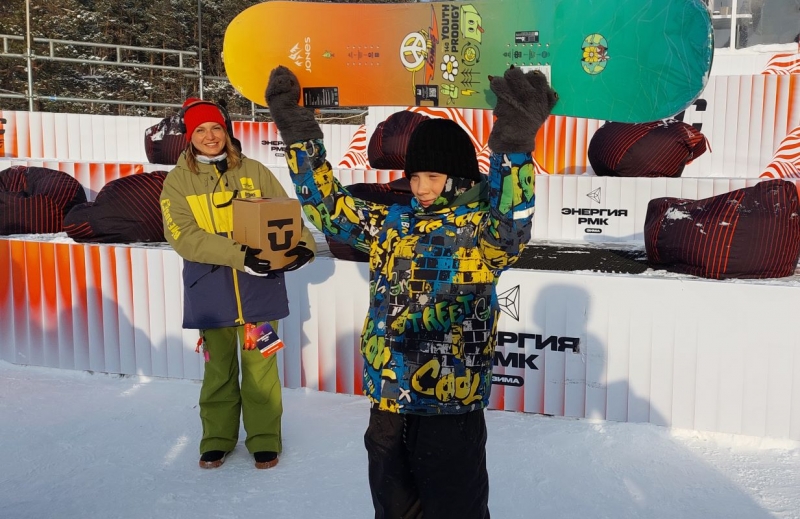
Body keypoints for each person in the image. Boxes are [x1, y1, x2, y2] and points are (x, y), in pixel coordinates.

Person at [266, 66, 557, 517]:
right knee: (393, 509)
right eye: (416, 176)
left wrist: (513, 147)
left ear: (459, 179)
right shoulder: (391, 223)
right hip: (388, 399)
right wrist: (298, 131)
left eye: (434, 178)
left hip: (450, 408)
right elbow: (326, 208)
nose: (421, 188)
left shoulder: (484, 231)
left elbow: (513, 216)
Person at [159, 98, 316, 469]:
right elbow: (182, 235)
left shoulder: (255, 171)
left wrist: (303, 246)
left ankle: (264, 439)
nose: (210, 136)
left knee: (261, 368)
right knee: (219, 370)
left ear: (226, 130)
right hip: (210, 294)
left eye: (215, 128)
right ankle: (217, 438)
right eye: (200, 130)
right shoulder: (177, 182)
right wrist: (238, 255)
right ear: (189, 136)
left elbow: (284, 212)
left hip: (259, 291)